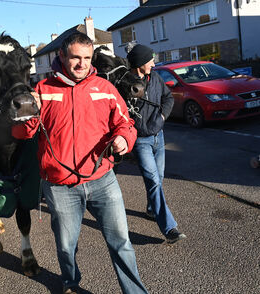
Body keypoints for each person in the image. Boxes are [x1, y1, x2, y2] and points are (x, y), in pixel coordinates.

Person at [12, 33, 148, 294]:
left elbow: (125, 123)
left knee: (121, 242)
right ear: (61, 56)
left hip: (103, 181)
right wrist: (29, 113)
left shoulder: (105, 88)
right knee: (66, 245)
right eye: (75, 57)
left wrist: (123, 139)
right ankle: (70, 283)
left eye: (86, 58)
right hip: (60, 186)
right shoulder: (42, 90)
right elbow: (21, 134)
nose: (81, 64)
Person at [126, 44, 186, 244]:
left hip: (158, 138)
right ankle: (169, 228)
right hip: (141, 141)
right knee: (153, 180)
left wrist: (161, 117)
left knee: (158, 179)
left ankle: (152, 210)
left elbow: (168, 98)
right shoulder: (126, 83)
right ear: (140, 63)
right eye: (149, 60)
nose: (153, 63)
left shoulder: (156, 79)